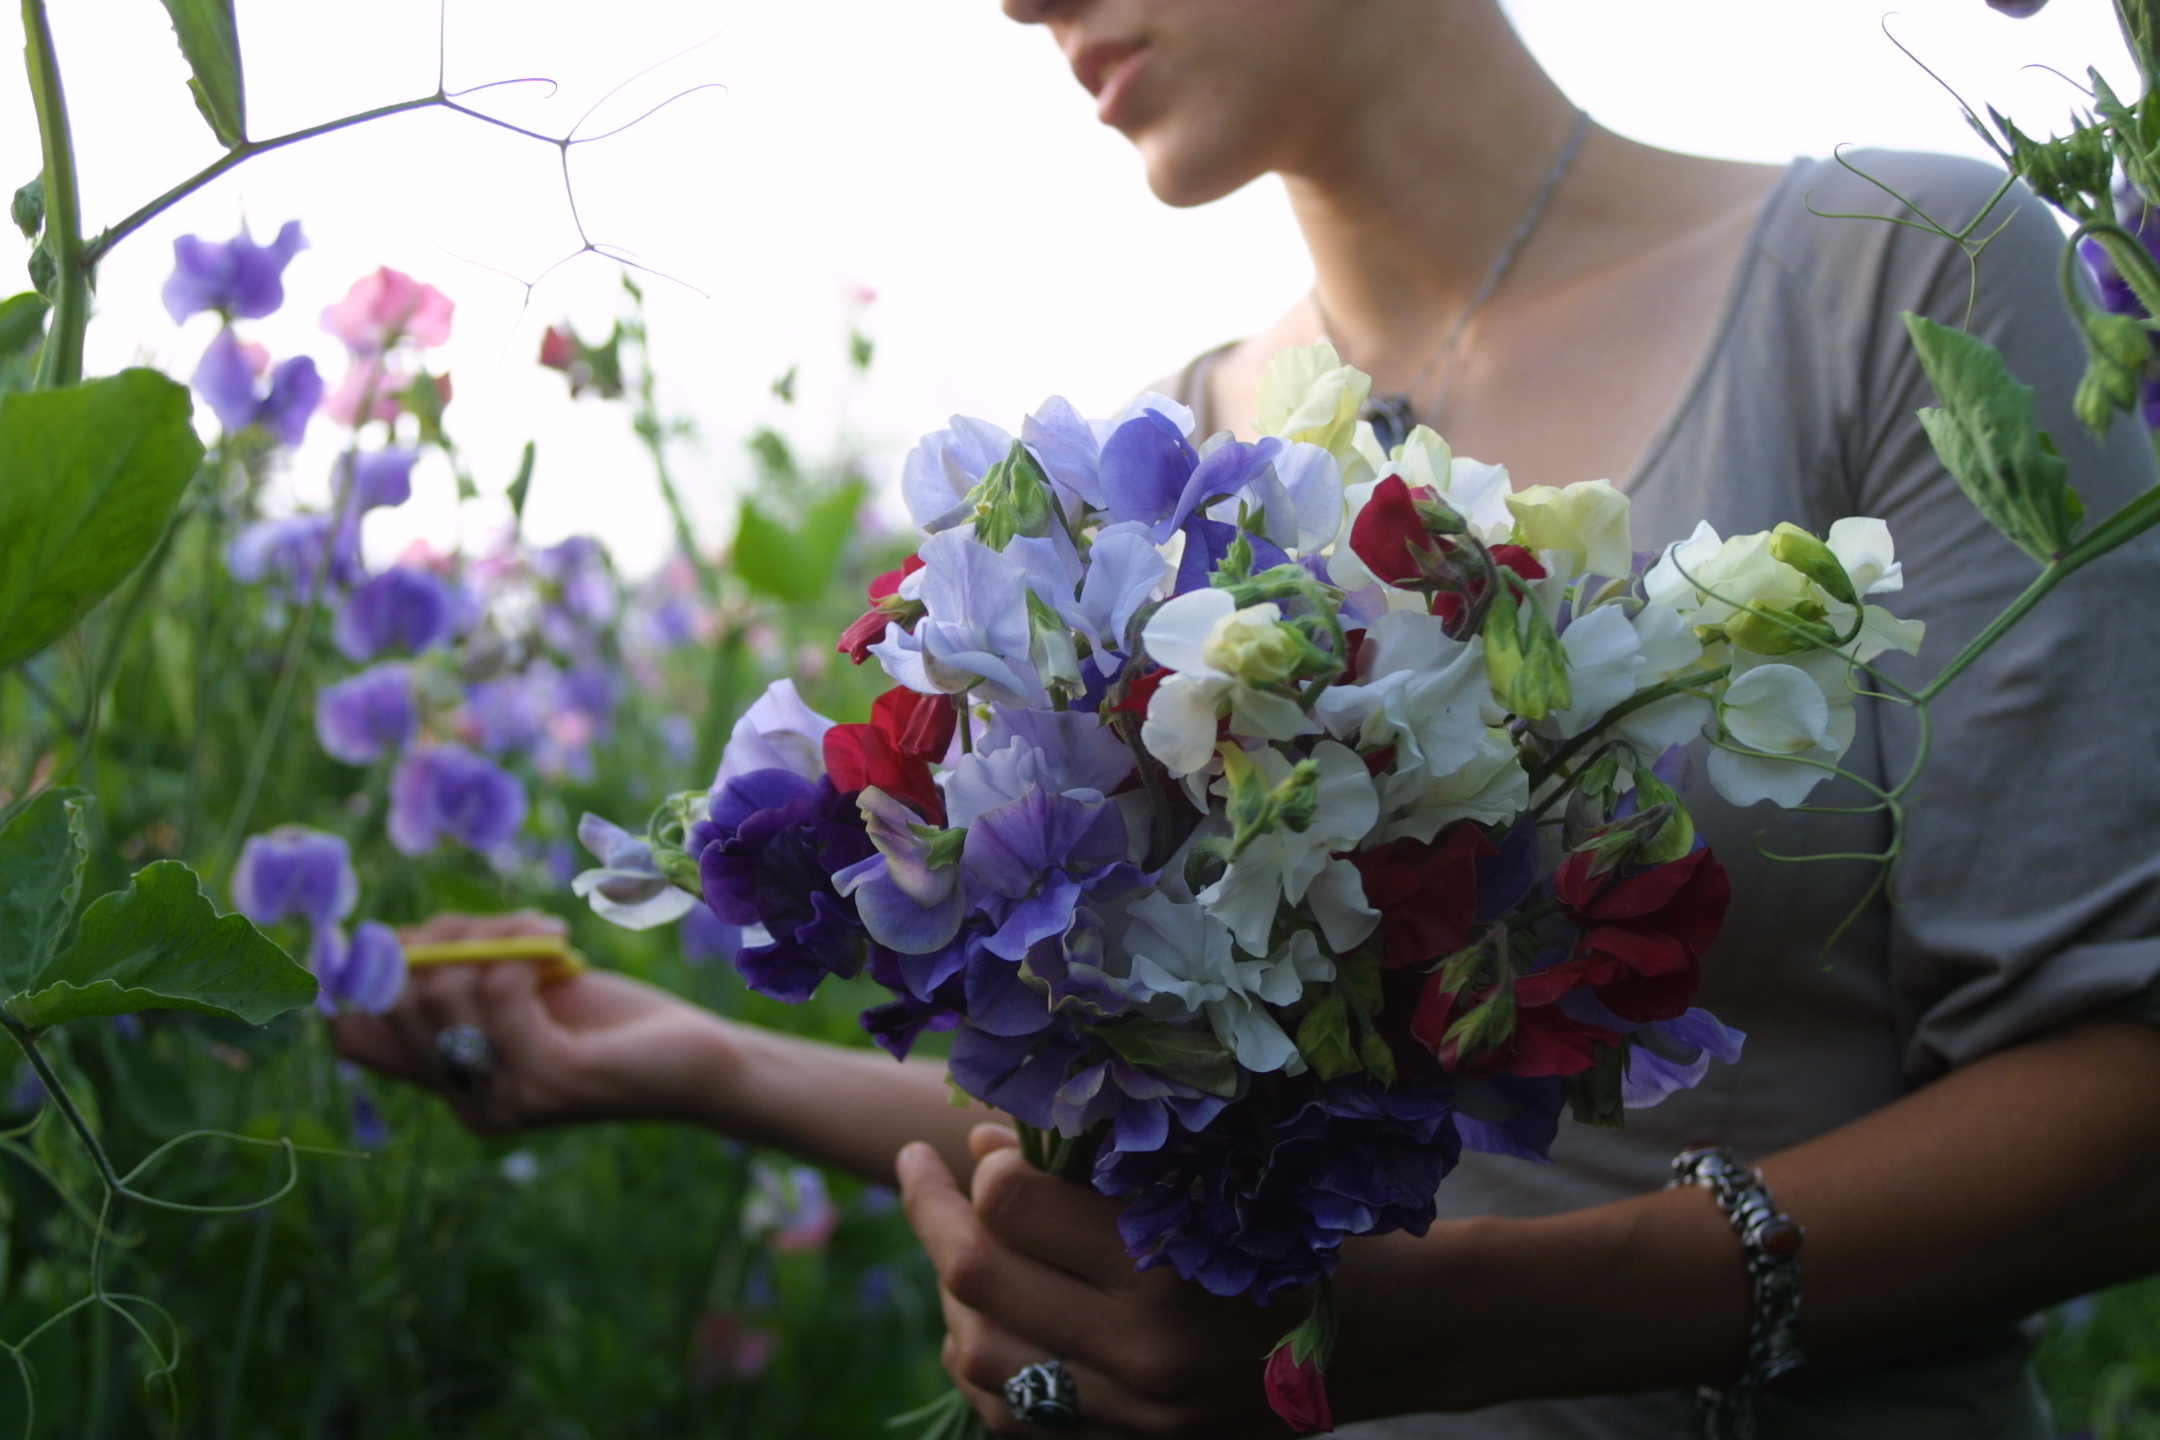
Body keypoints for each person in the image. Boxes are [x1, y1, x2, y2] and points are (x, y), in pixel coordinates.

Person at [335, 1, 2160, 1435]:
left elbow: (2122, 1100)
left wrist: (1403, 1341)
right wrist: (691, 1060)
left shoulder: (1901, 275)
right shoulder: (1157, 468)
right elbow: (1133, 1109)